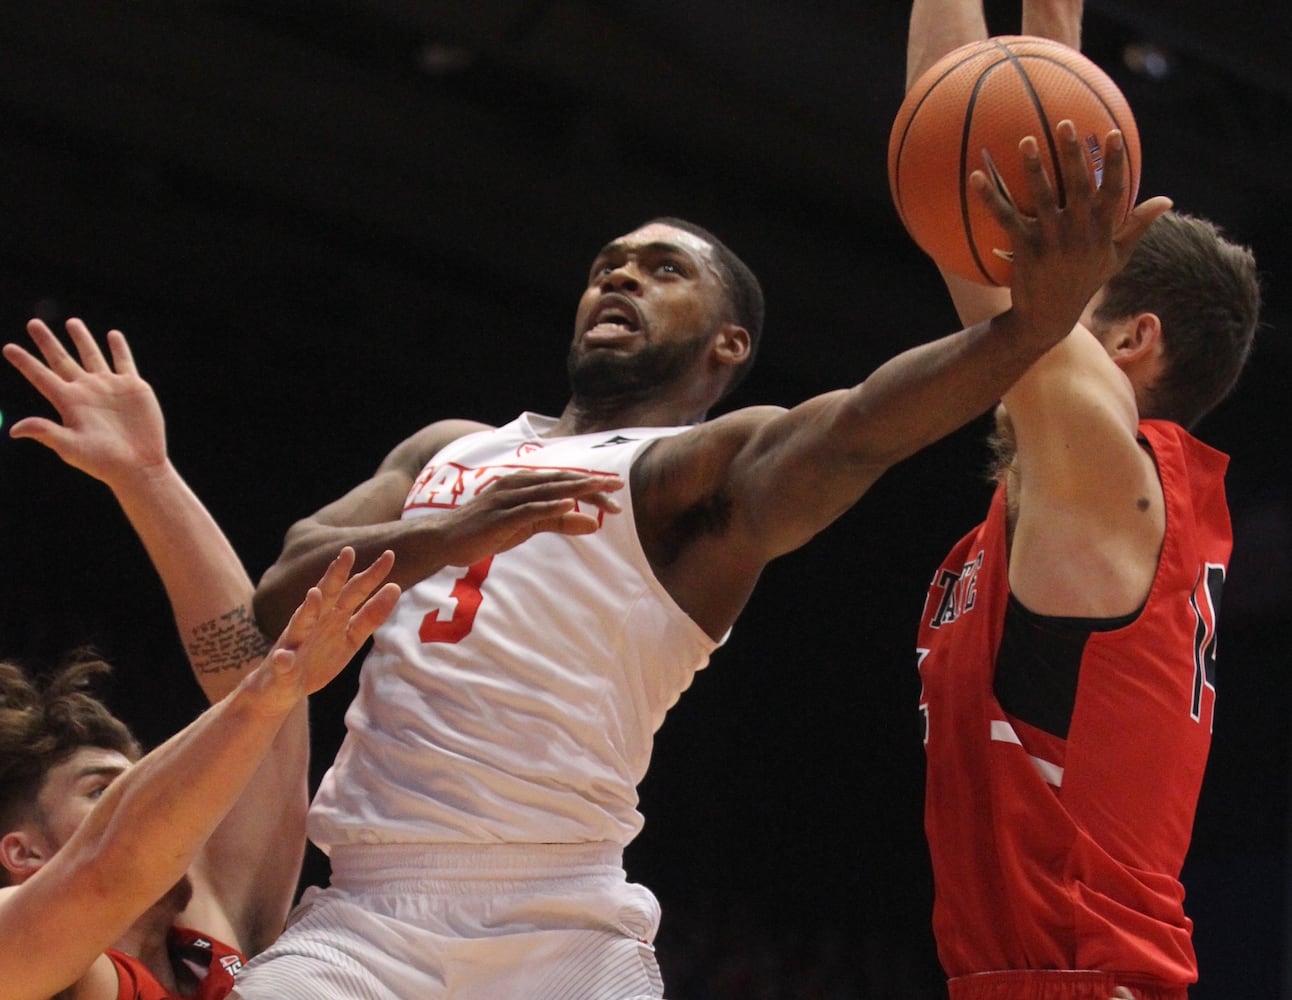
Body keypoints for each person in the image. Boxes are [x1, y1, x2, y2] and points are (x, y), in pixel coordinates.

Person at [237, 132, 1170, 997]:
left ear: (729, 343)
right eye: (608, 266)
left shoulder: (693, 478)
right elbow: (275, 606)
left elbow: (856, 432)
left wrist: (1026, 333)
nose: (621, 279)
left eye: (662, 270)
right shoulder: (447, 451)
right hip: (363, 913)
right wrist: (446, 536)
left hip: (559, 922)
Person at [905, 2, 1263, 997]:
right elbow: (978, 180)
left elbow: (967, 176)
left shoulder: (1110, 478)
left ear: (1130, 340)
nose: (1025, 284)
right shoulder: (1086, 495)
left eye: (1070, 284)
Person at [0, 318, 401, 1000]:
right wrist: (261, 699)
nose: (169, 805)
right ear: (23, 853)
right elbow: (109, 866)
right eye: (105, 792)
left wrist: (147, 477)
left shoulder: (215, 936)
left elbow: (265, 702)